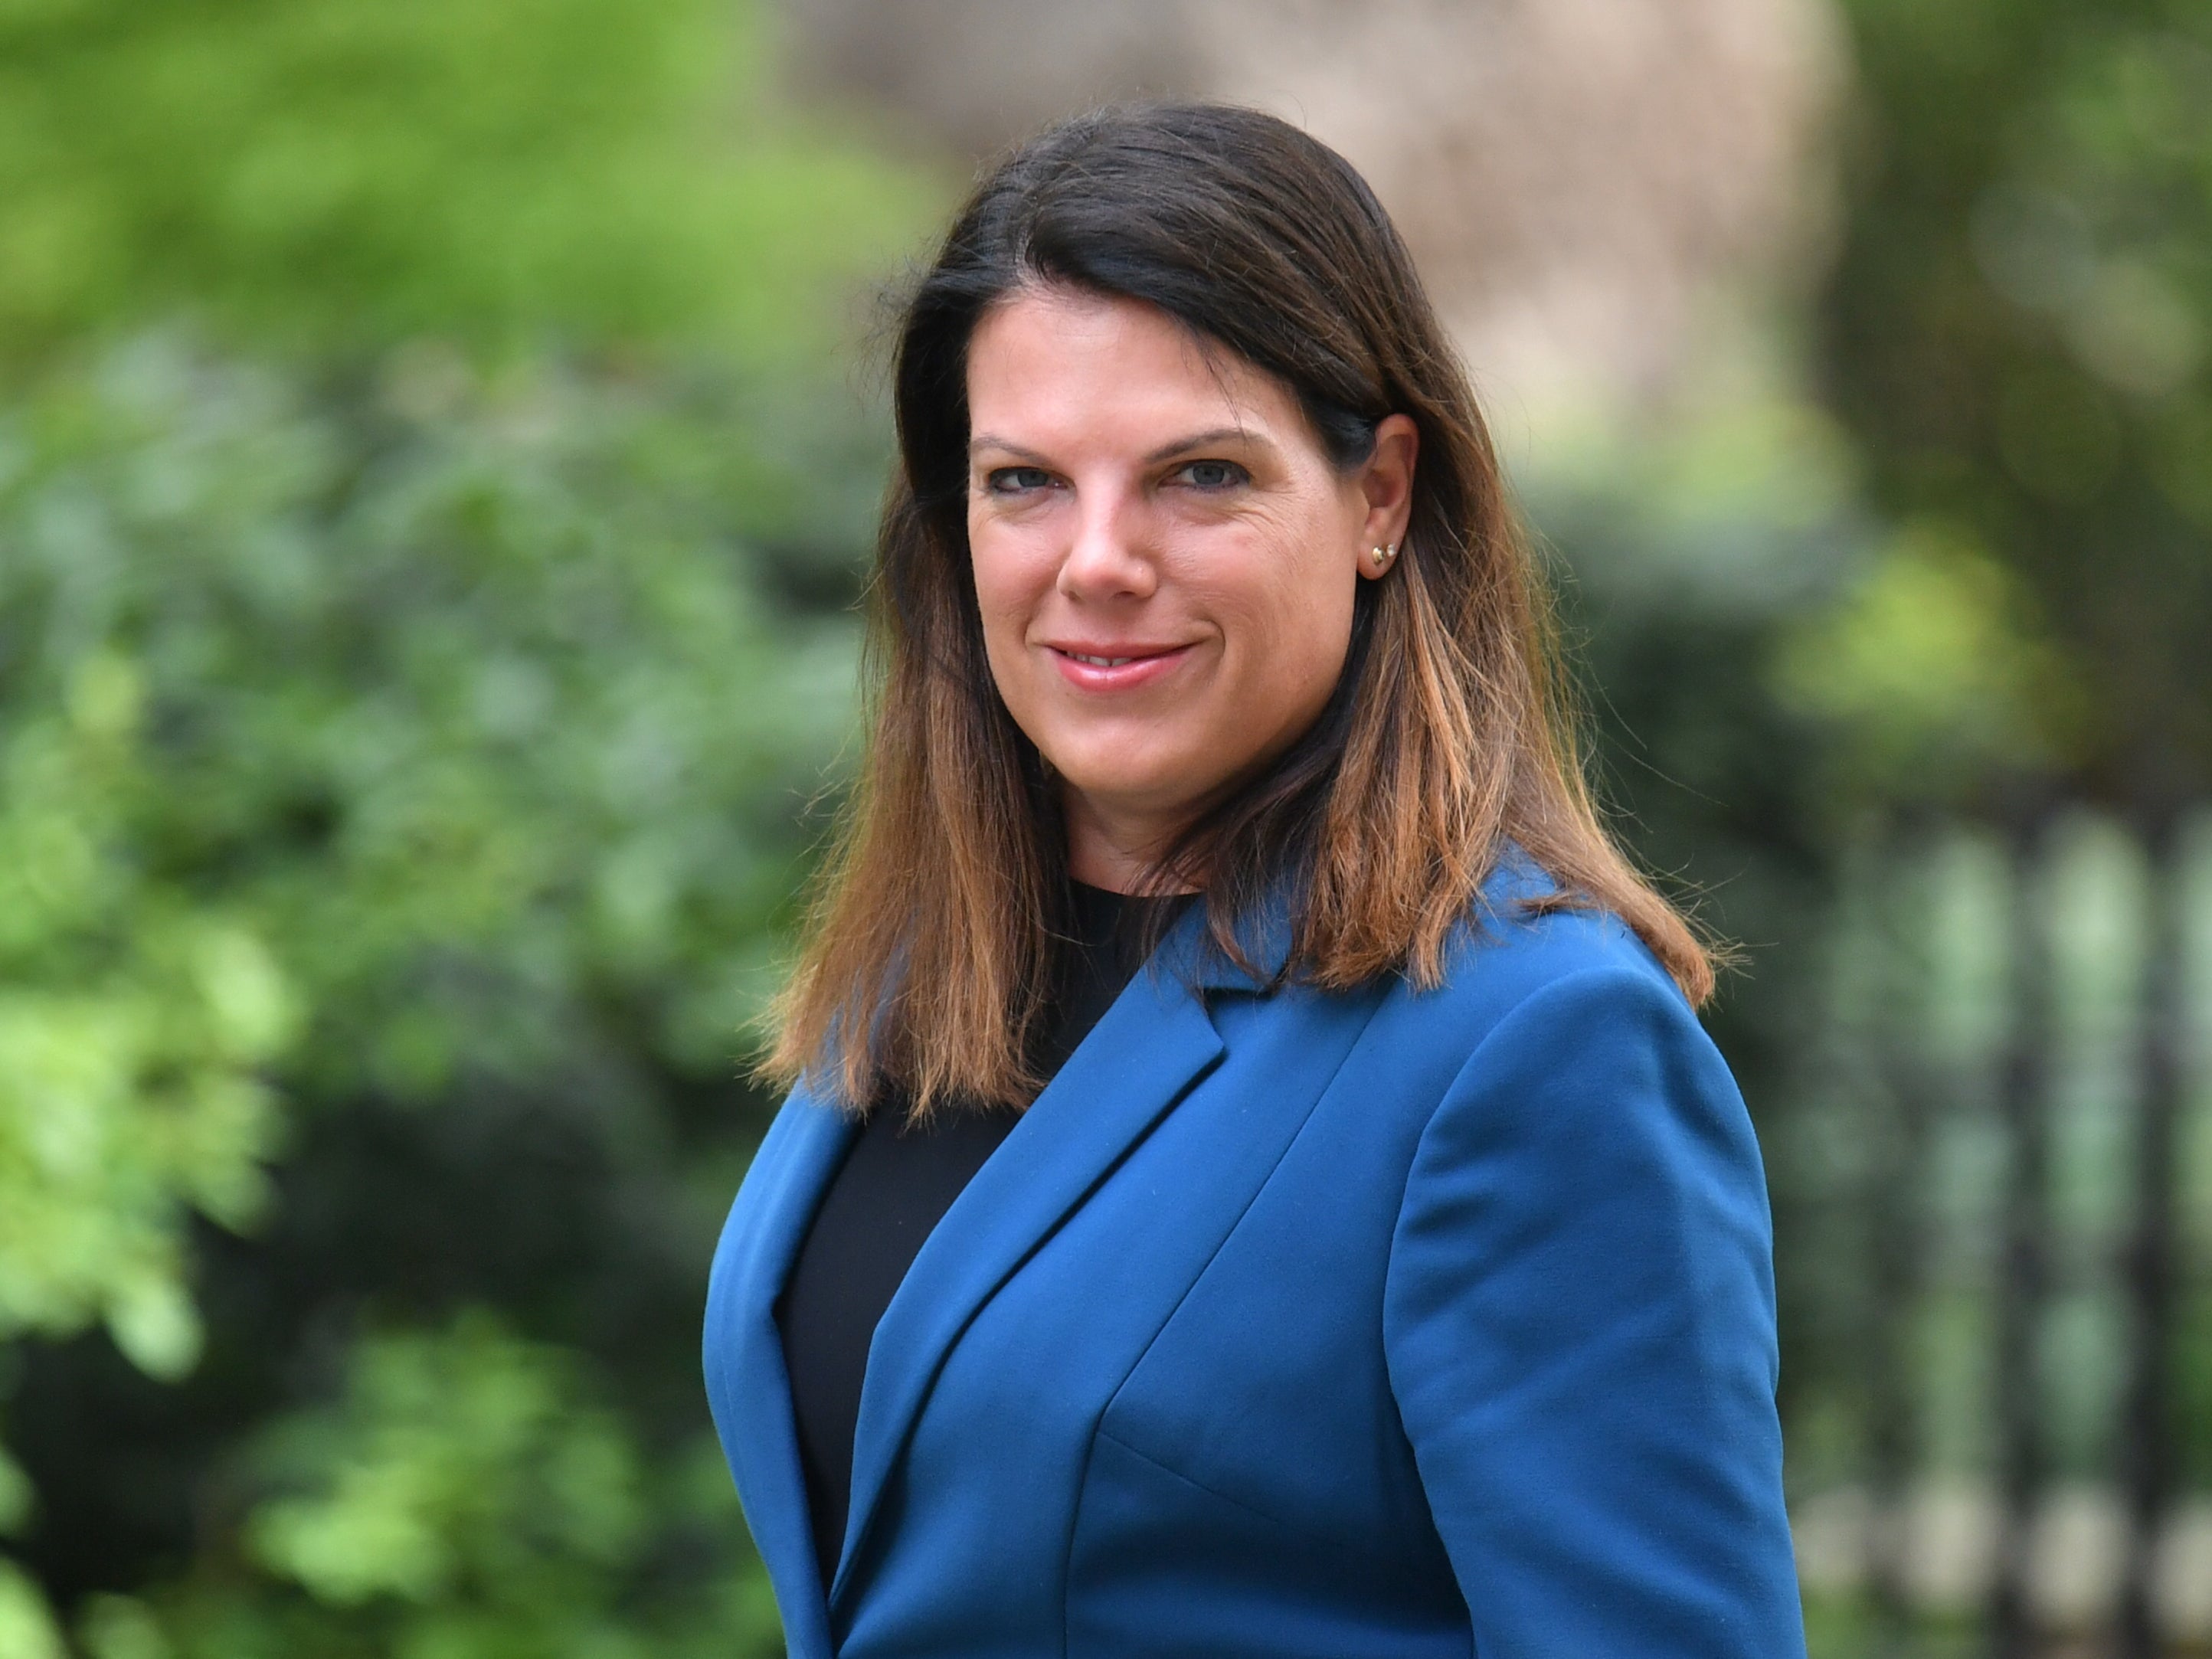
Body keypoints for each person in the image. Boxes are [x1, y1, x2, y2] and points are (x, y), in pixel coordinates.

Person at [703, 102, 1805, 1657]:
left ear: (1377, 497)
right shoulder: (929, 979)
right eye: (1024, 481)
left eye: (1199, 476)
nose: (1095, 559)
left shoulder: (1533, 1044)